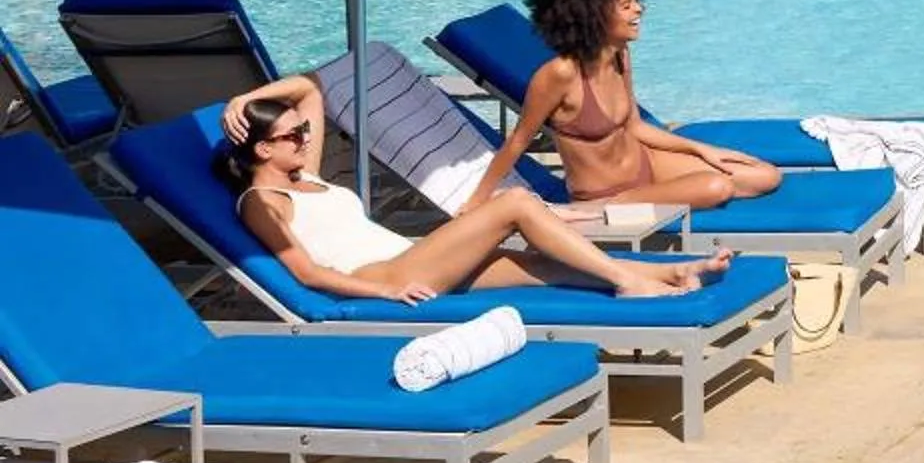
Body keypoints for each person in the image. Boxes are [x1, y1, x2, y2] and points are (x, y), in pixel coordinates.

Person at [221, 72, 727, 304]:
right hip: (388, 274)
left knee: (541, 267)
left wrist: (244, 99)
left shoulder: (304, 174)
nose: (306, 138)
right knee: (515, 202)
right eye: (294, 136)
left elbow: (310, 89)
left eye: (303, 131)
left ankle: (671, 272)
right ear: (263, 150)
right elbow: (307, 273)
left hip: (416, 258)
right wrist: (384, 289)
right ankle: (627, 281)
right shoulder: (263, 202)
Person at [470, 0, 782, 213]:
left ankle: (651, 192)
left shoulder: (620, 55)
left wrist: (703, 149)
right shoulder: (560, 74)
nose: (639, 10)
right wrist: (476, 202)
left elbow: (634, 126)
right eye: (626, 5)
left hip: (647, 164)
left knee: (765, 176)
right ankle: (604, 207)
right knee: (717, 187)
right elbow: (518, 142)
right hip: (605, 193)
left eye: (636, 0)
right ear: (594, 14)